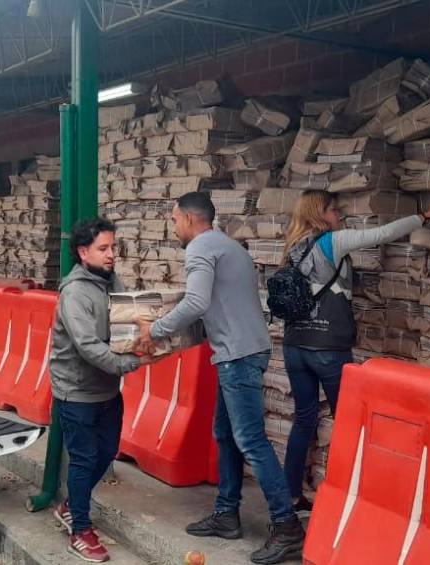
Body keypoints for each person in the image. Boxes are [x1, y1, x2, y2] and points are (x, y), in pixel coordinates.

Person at [135, 192, 305, 565]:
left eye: (175, 219)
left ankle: (287, 526)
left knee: (250, 440)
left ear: (190, 218)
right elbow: (217, 306)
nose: (175, 226)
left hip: (239, 357)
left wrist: (156, 330)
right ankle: (227, 514)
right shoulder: (230, 247)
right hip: (241, 351)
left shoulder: (200, 248)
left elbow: (195, 302)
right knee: (225, 435)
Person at [280, 190, 430, 512]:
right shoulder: (332, 242)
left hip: (295, 347)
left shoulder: (292, 247)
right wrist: (424, 217)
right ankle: (343, 499)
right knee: (347, 423)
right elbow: (381, 234)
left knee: (303, 421)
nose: (340, 215)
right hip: (327, 347)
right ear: (320, 214)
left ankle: (289, 496)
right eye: (335, 210)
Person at [49, 217, 145, 563]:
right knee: (85, 460)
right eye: (103, 249)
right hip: (76, 393)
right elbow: (88, 346)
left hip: (106, 389)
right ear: (83, 251)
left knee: (106, 453)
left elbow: (127, 315)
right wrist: (129, 364)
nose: (111, 255)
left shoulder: (110, 282)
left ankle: (73, 505)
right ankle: (80, 530)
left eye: (113, 248)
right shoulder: (75, 292)